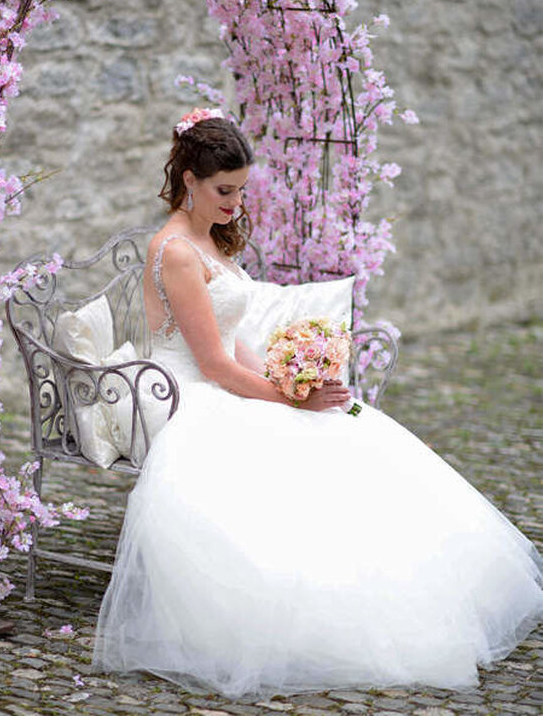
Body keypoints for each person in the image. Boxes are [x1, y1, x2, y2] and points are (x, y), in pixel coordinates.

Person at [93, 109, 543, 699]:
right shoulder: (177, 251)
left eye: (242, 191)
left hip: (228, 377)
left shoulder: (208, 238)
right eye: (224, 191)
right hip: (188, 394)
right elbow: (212, 364)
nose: (235, 203)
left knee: (349, 432)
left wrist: (293, 386)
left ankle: (396, 583)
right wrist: (288, 403)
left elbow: (236, 341)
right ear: (189, 183)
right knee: (298, 446)